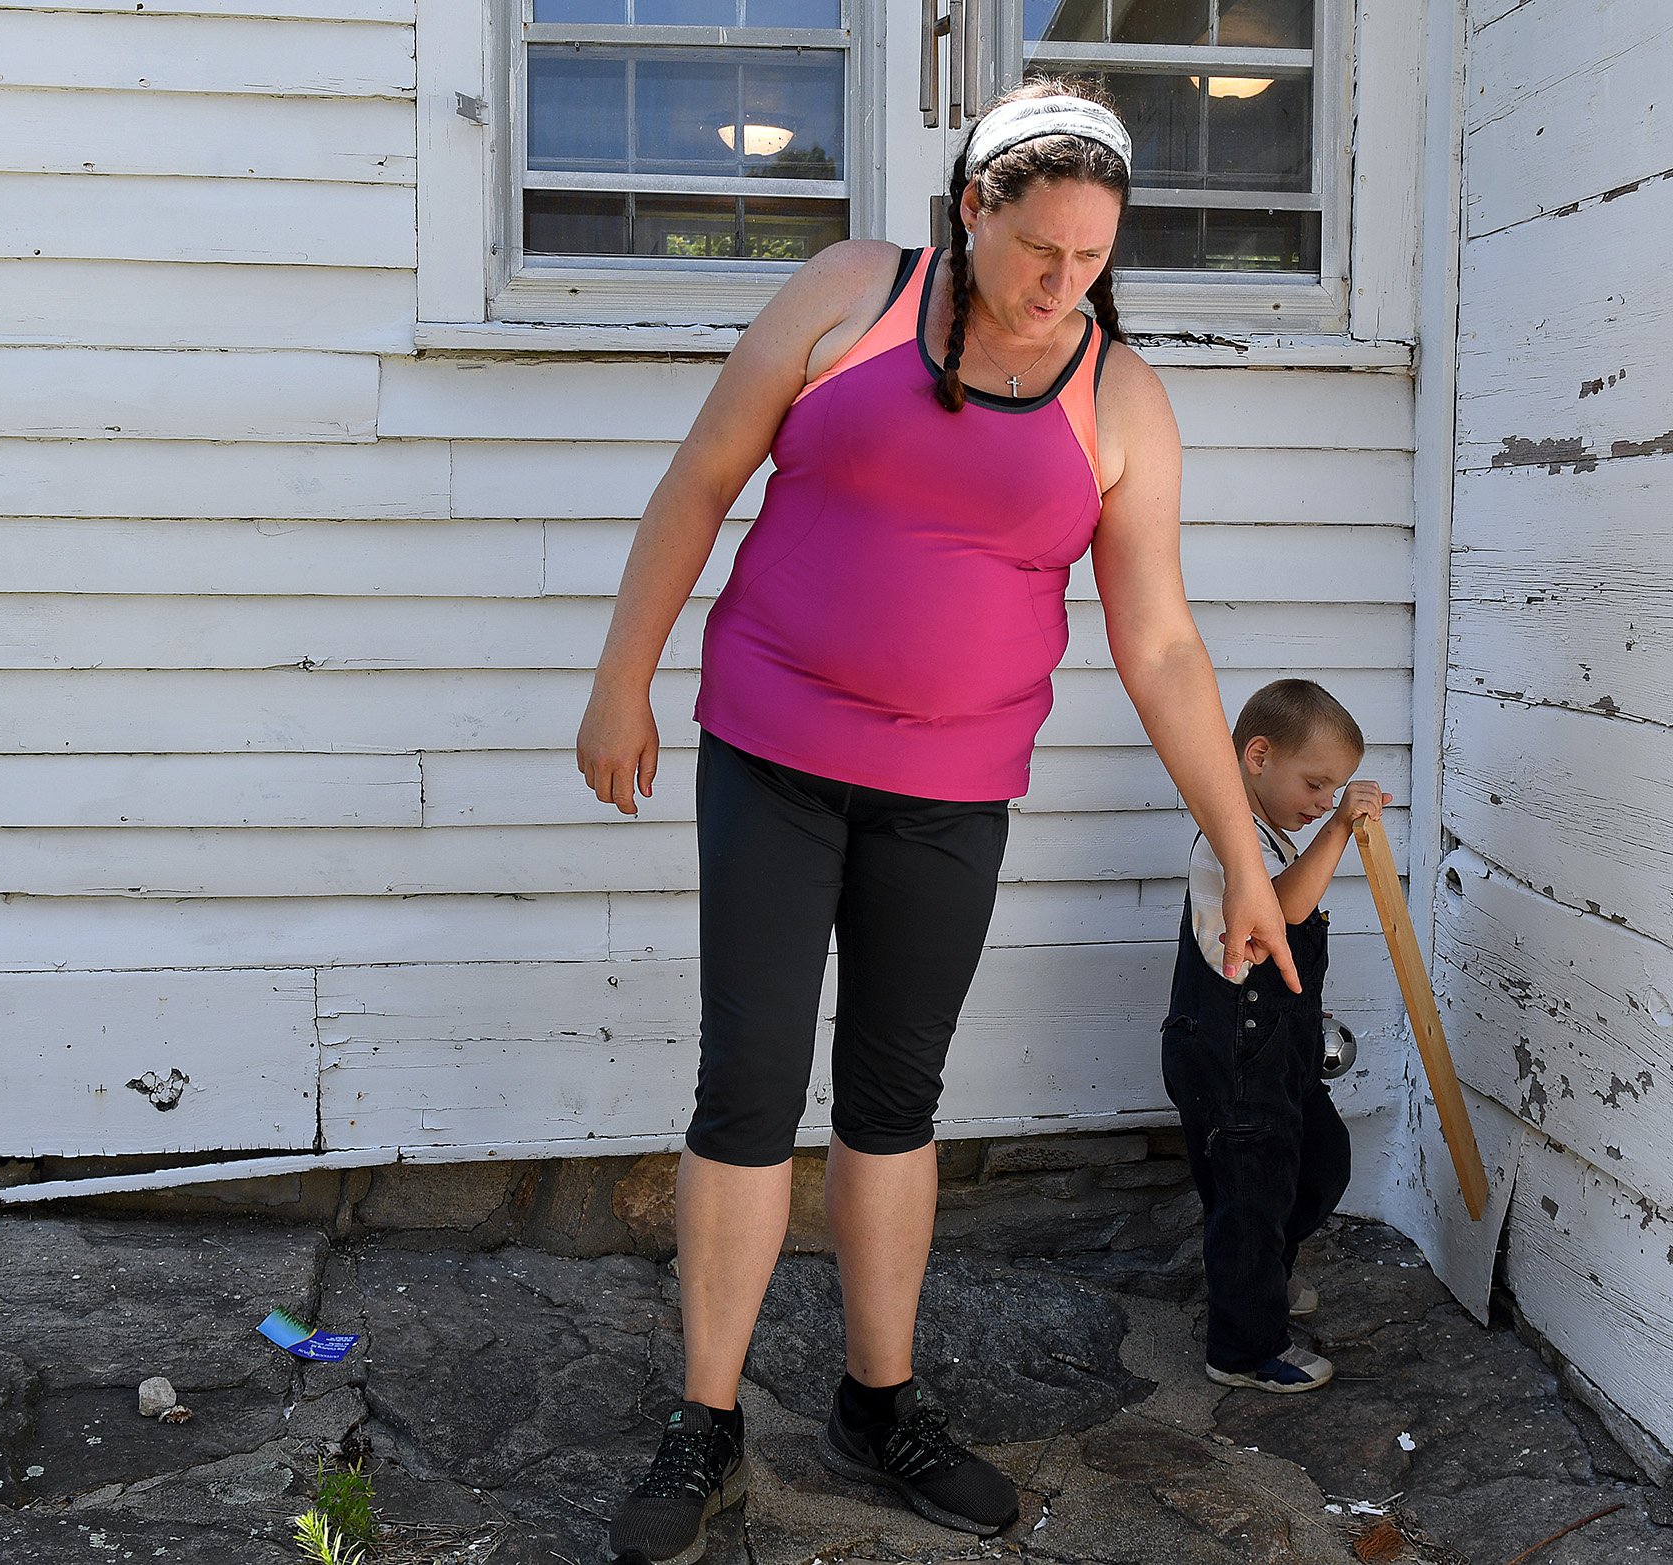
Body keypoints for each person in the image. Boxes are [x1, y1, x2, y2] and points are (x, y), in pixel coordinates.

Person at [576, 79, 1300, 1564]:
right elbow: (701, 482)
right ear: (972, 212)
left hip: (952, 794)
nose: (1063, 283)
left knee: (895, 1099)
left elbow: (1160, 645)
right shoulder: (854, 295)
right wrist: (621, 683)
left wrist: (1243, 848)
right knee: (750, 1084)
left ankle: (877, 1401)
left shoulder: (1123, 400)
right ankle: (703, 1419)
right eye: (1041, 248)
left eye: (1093, 257)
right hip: (771, 752)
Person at [1160, 678, 1391, 1394]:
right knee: (1252, 1192)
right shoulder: (1224, 842)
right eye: (1316, 781)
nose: (1325, 800)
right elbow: (1278, 914)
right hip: (1229, 1057)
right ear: (1257, 754)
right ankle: (1244, 1346)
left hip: (1272, 1053)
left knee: (1318, 1163)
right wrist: (1334, 833)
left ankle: (1260, 1275)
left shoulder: (1270, 835)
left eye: (1335, 789)